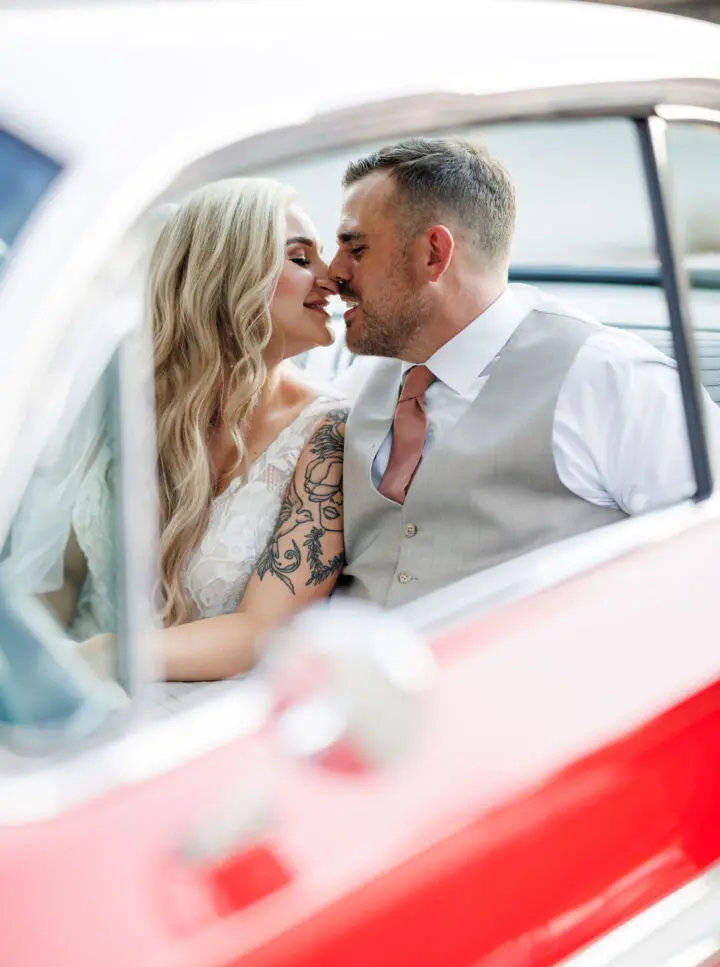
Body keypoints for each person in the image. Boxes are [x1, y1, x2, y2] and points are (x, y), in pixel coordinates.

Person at [327, 136, 720, 608]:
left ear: (433, 253)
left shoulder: (610, 379)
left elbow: (703, 568)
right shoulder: (357, 383)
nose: (334, 272)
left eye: (356, 248)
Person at [77, 177, 348, 681]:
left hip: (191, 712)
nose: (333, 277)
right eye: (301, 257)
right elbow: (59, 578)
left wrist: (104, 655)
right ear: (227, 273)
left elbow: (262, 631)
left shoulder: (327, 432)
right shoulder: (119, 396)